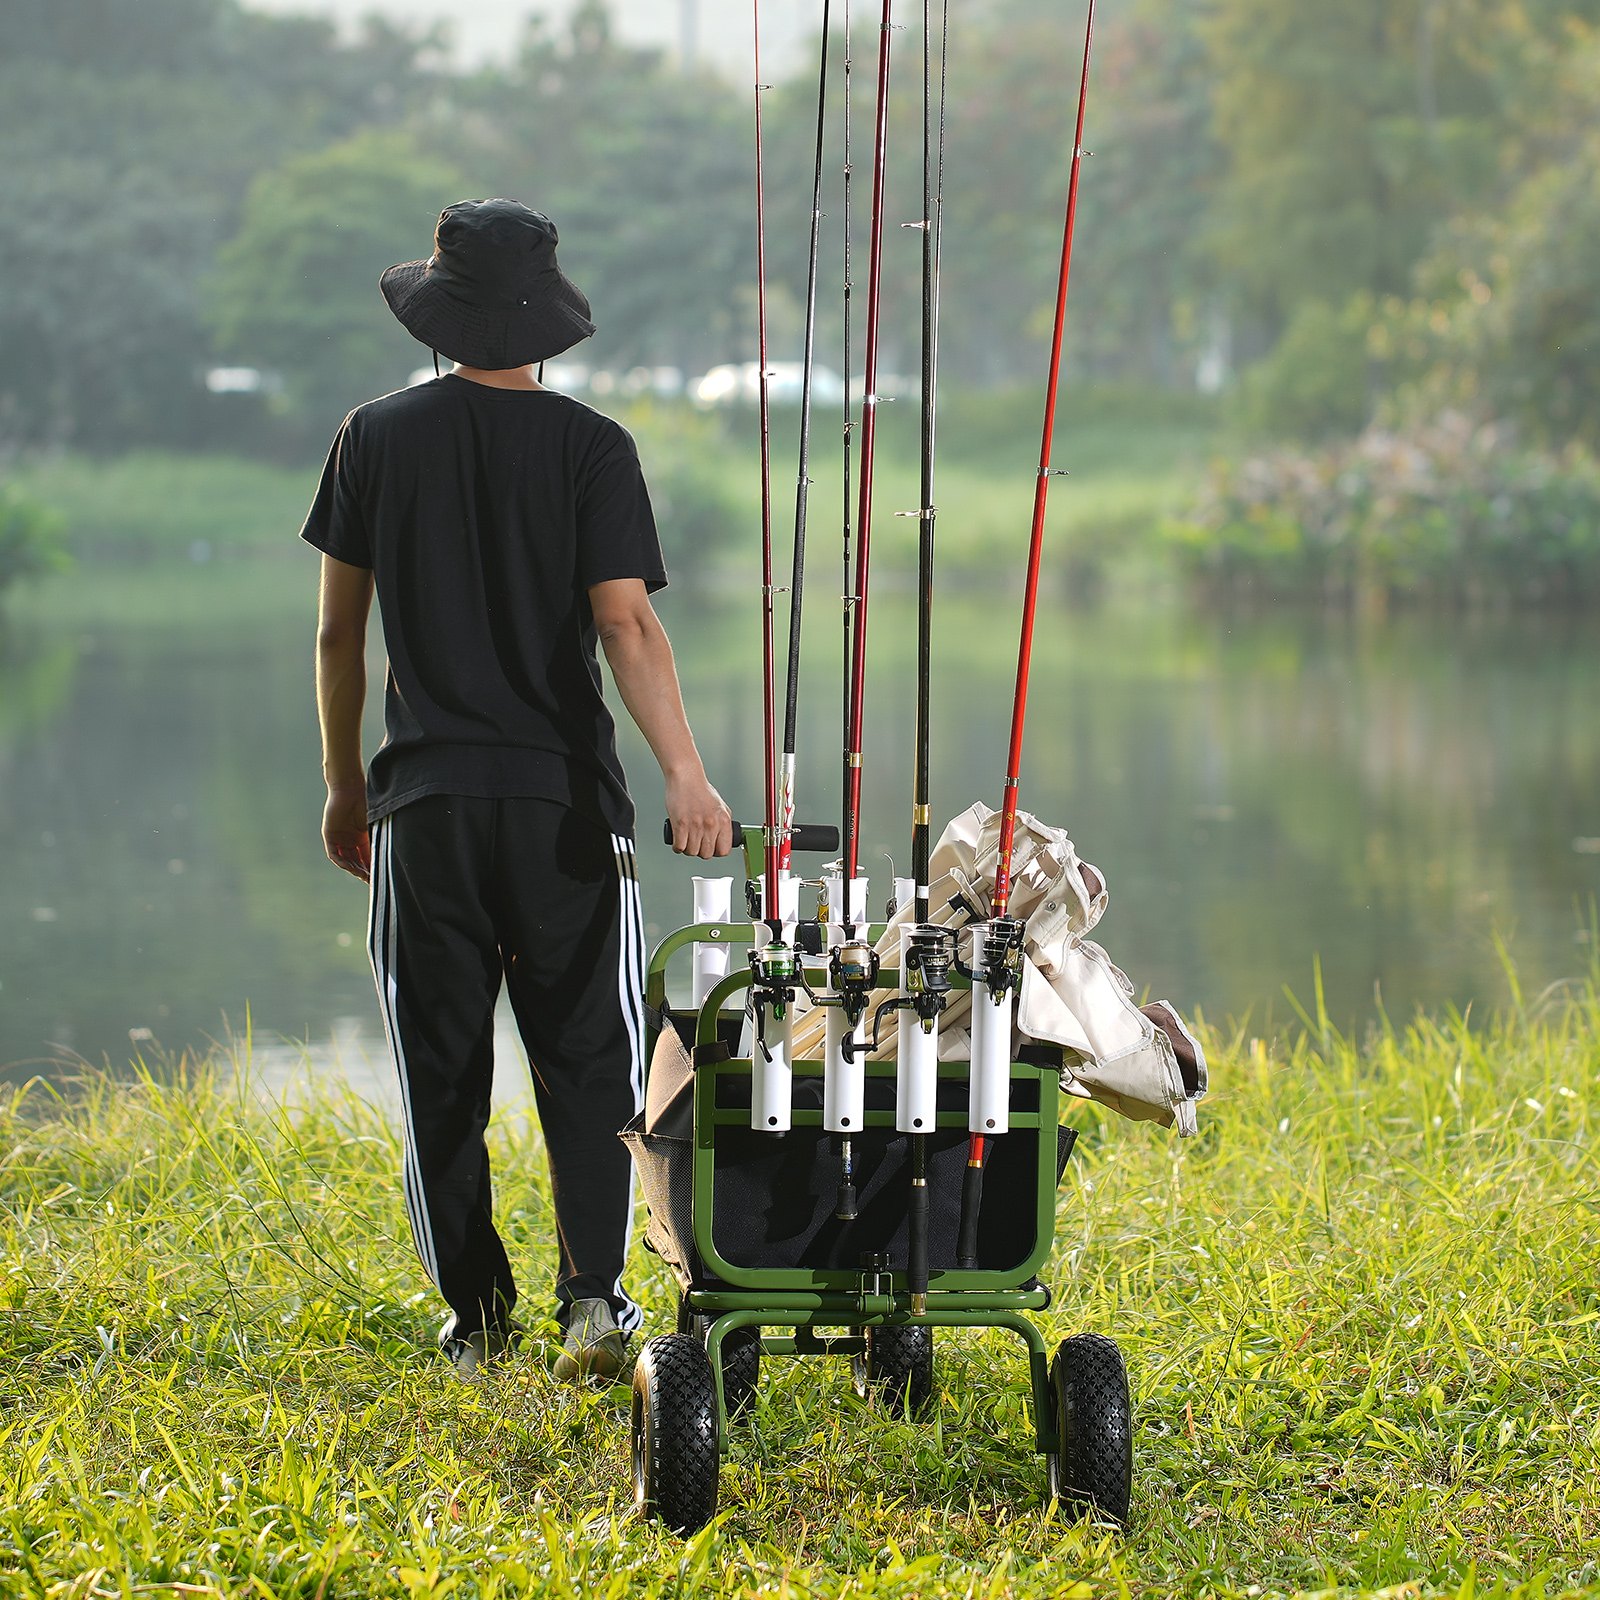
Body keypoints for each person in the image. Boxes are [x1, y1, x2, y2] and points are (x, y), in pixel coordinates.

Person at [301, 198, 733, 1384]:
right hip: (562, 812)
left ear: (437, 319)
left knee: (437, 1059)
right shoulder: (594, 446)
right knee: (594, 1057)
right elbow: (625, 622)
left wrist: (347, 787)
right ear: (545, 320)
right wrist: (686, 777)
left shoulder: (370, 436)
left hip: (424, 808)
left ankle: (475, 1314)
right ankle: (593, 1303)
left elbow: (341, 636)